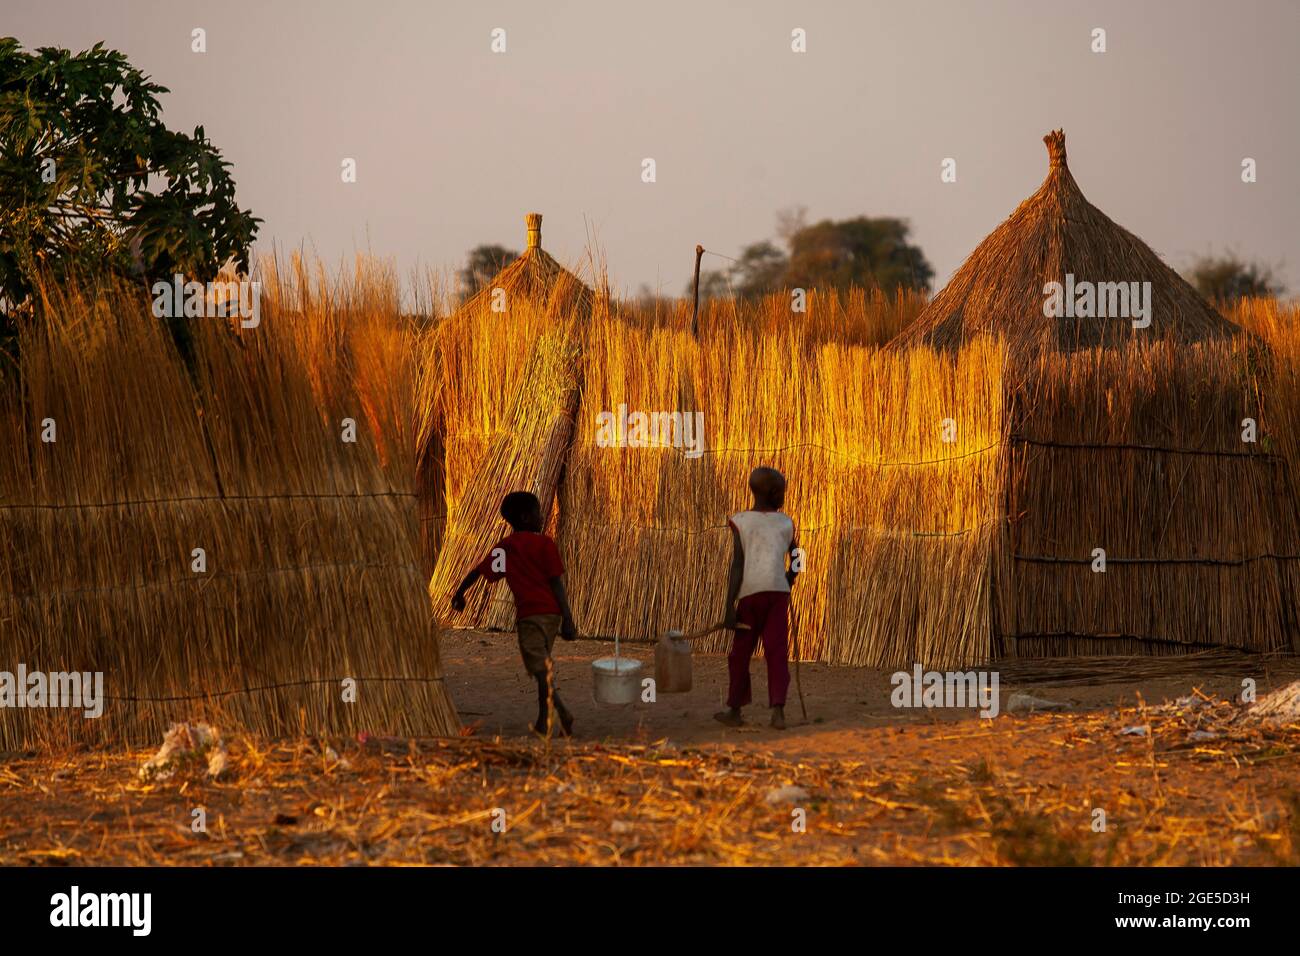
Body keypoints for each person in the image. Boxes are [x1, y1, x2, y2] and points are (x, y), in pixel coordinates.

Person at [451, 491, 576, 736]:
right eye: (539, 512)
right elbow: (556, 584)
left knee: (540, 670)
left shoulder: (506, 548)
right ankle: (543, 721)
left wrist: (460, 592)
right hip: (551, 616)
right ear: (526, 517)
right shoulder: (545, 544)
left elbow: (479, 571)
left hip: (530, 616)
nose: (542, 516)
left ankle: (563, 713)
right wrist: (567, 618)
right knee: (543, 668)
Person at [715, 467, 799, 730]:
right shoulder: (785, 522)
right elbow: (798, 556)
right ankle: (778, 712)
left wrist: (730, 606)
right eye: (782, 492)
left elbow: (737, 565)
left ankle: (735, 709)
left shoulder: (741, 521)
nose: (784, 496)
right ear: (774, 493)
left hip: (749, 596)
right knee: (777, 652)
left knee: (740, 654)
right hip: (777, 595)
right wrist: (790, 578)